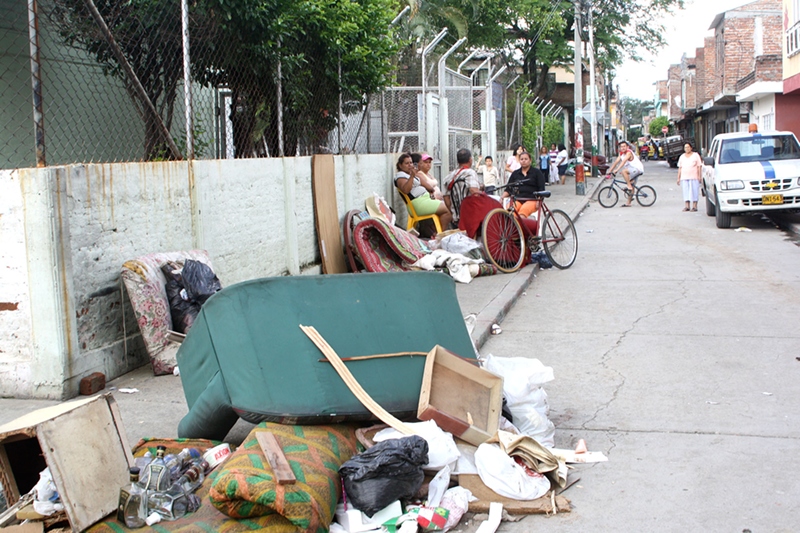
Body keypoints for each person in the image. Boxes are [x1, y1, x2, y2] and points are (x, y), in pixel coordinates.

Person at [394, 153, 452, 230]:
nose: (410, 165)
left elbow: (430, 188)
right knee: (448, 208)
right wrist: (412, 176)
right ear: (400, 165)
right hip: (418, 203)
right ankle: (440, 234)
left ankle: (436, 231)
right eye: (407, 163)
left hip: (426, 200)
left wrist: (417, 175)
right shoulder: (400, 176)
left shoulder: (414, 174)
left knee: (449, 205)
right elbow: (406, 190)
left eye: (411, 163)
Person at [444, 148, 482, 225]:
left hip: (457, 217)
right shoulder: (470, 173)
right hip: (471, 214)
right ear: (470, 160)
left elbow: (446, 197)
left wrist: (453, 213)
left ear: (458, 161)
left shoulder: (449, 176)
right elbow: (474, 191)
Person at [504, 151, 546, 218]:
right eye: (522, 159)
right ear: (519, 161)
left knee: (523, 211)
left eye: (526, 159)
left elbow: (541, 189)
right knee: (509, 212)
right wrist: (501, 198)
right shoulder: (515, 173)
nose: (523, 161)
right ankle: (513, 224)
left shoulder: (537, 173)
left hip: (532, 200)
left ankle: (519, 224)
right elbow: (508, 189)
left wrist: (539, 200)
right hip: (517, 200)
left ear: (530, 160)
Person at [606, 140, 644, 207]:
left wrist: (617, 170)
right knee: (632, 186)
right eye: (621, 147)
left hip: (637, 169)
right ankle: (628, 203)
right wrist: (609, 171)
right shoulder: (621, 154)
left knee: (624, 172)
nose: (622, 148)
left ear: (627, 147)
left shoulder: (629, 153)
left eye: (624, 146)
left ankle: (629, 186)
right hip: (633, 170)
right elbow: (616, 162)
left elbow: (623, 162)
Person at [677, 141, 703, 212]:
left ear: (691, 148)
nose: (687, 149)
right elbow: (680, 168)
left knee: (694, 191)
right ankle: (687, 206)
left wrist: (699, 176)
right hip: (684, 177)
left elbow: (699, 166)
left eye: (688, 147)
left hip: (694, 177)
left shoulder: (695, 155)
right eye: (685, 147)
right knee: (686, 192)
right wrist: (678, 178)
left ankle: (694, 206)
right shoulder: (682, 156)